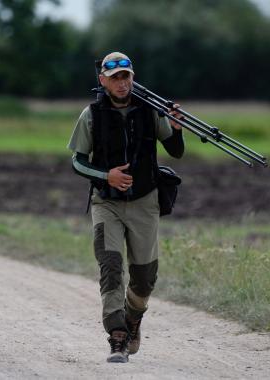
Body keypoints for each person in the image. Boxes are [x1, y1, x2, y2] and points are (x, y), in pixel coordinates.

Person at [67, 52, 185, 363]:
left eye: (126, 76)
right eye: (115, 77)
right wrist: (108, 175)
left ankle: (133, 319)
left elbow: (176, 150)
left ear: (133, 77)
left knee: (144, 278)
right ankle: (117, 337)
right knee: (111, 268)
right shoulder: (91, 115)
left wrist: (176, 128)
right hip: (106, 203)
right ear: (102, 80)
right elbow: (77, 161)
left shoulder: (150, 111)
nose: (122, 82)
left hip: (145, 201)